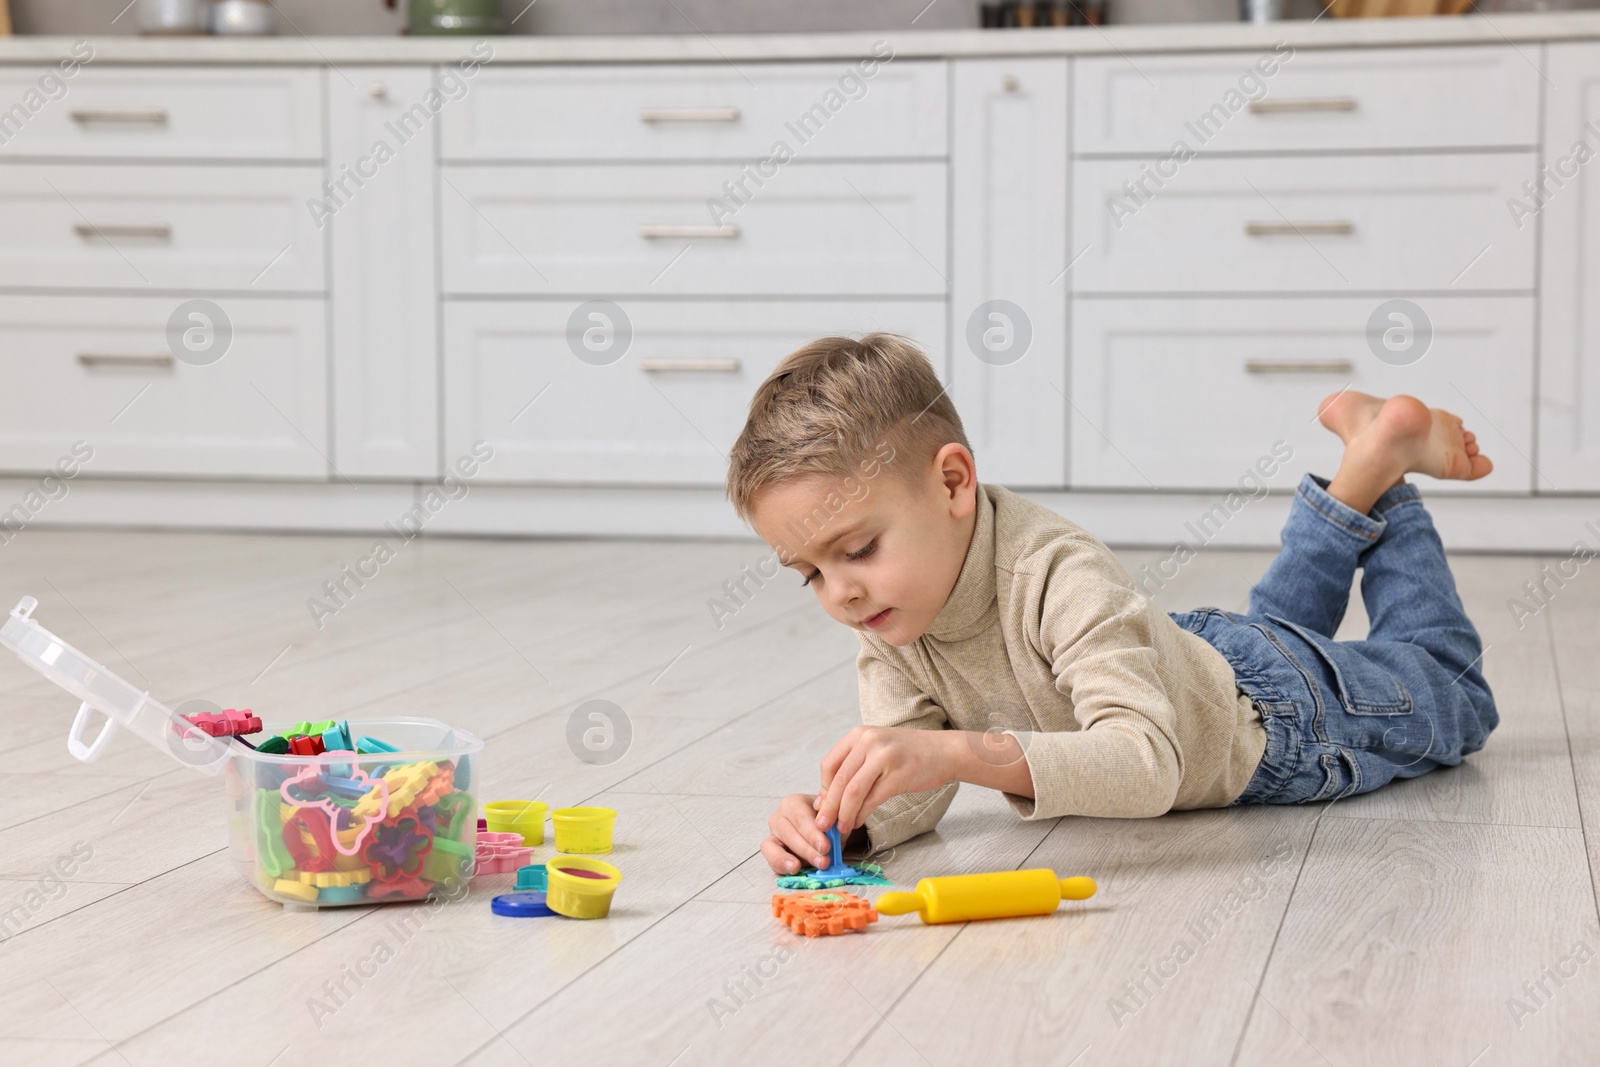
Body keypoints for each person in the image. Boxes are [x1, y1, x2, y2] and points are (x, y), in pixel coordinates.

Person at [723, 334, 1498, 875]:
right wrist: (843, 819)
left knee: (1454, 691)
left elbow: (1148, 762)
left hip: (1275, 721)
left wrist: (958, 752)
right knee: (1276, 632)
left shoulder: (1056, 570)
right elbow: (915, 777)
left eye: (856, 550)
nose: (841, 592)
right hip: (1193, 660)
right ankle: (1365, 458)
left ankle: (1387, 474)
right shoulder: (890, 613)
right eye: (809, 573)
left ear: (953, 483)